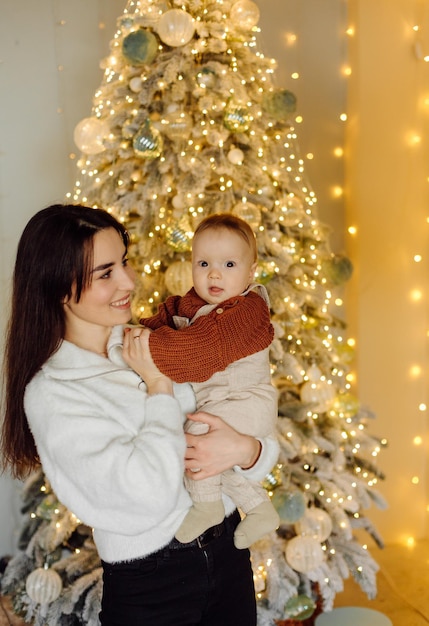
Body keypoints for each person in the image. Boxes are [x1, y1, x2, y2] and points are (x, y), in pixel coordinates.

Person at [0, 204, 280, 626]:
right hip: (154, 584)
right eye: (106, 273)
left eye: (125, 263)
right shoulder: (54, 392)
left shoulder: (152, 342)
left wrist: (248, 450)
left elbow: (245, 426)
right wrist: (159, 388)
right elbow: (148, 496)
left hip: (228, 550)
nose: (129, 281)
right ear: (60, 288)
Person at [141, 213, 280, 549]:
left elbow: (193, 355)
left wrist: (144, 349)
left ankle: (207, 506)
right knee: (219, 456)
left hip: (247, 401)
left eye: (229, 264)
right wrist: (133, 335)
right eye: (203, 263)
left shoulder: (247, 310)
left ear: (251, 273)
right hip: (222, 404)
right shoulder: (187, 305)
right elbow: (155, 323)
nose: (214, 273)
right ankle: (260, 510)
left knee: (196, 441)